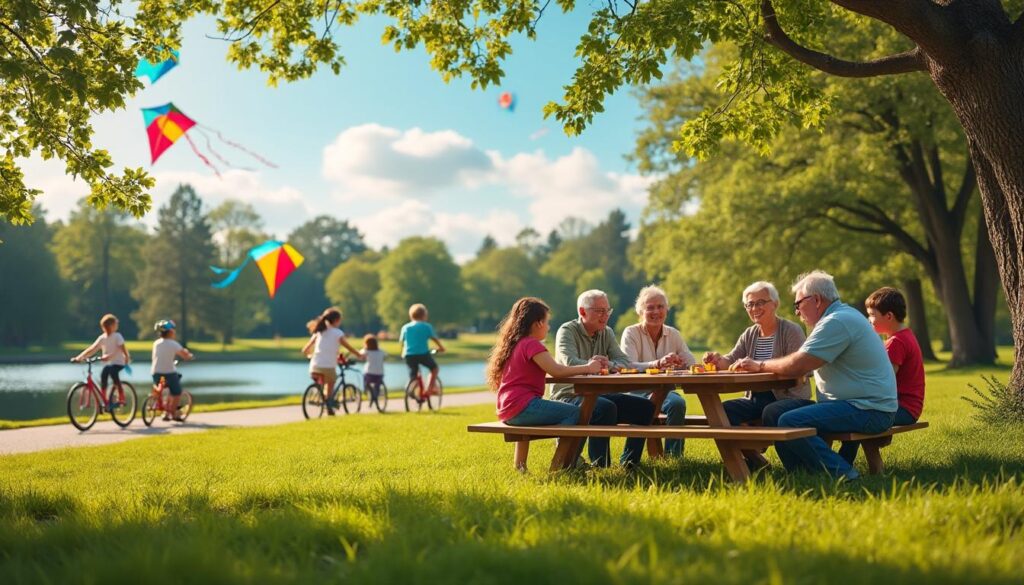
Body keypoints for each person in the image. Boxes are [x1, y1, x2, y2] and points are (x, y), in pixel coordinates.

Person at [731, 270, 897, 480]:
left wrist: (760, 365)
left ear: (816, 300)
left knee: (790, 421)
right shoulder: (839, 317)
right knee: (775, 412)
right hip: (854, 404)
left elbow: (799, 364)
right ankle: (802, 473)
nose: (798, 312)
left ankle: (844, 475)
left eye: (798, 304)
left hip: (869, 409)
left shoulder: (836, 322)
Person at [486, 297, 602, 471]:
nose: (548, 327)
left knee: (552, 417)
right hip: (522, 407)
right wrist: (588, 367)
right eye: (547, 322)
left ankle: (520, 468)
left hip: (508, 409)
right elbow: (556, 370)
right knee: (575, 413)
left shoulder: (515, 344)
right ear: (538, 323)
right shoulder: (532, 345)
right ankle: (563, 464)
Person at [550, 289, 656, 469]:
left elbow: (624, 361)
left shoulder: (606, 332)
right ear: (582, 312)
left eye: (607, 310)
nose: (605, 315)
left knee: (645, 408)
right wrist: (592, 365)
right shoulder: (567, 330)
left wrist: (610, 364)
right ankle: (601, 467)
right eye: (599, 311)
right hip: (569, 396)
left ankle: (629, 464)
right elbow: (570, 361)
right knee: (605, 408)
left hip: (598, 394)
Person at [703, 281, 812, 426]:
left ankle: (765, 445)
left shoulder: (791, 331)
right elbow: (731, 361)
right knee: (723, 410)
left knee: (771, 411)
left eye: (760, 303)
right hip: (756, 400)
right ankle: (745, 449)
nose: (754, 308)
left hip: (790, 399)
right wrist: (716, 360)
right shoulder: (749, 334)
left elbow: (801, 369)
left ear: (775, 303)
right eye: (750, 304)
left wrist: (760, 366)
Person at [838, 286, 926, 464]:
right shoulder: (906, 335)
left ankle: (841, 465)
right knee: (859, 415)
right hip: (907, 406)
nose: (868, 319)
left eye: (872, 314)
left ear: (889, 316)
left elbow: (883, 381)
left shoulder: (896, 343)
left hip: (903, 408)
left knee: (857, 416)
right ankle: (864, 466)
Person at [619, 285, 694, 458]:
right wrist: (657, 364)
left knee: (677, 404)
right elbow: (628, 365)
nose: (656, 312)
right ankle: (629, 460)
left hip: (665, 391)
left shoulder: (673, 334)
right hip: (637, 392)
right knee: (642, 409)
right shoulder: (631, 332)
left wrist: (682, 362)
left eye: (660, 307)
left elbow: (691, 362)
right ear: (640, 311)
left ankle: (674, 457)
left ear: (666, 310)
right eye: (650, 307)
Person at [302, 307, 361, 415]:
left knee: (323, 382)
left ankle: (322, 398)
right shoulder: (337, 333)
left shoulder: (319, 332)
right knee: (331, 382)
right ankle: (328, 405)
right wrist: (359, 354)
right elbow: (348, 347)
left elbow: (305, 350)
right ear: (336, 320)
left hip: (314, 366)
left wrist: (311, 356)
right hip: (328, 366)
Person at [72, 313, 131, 395]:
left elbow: (121, 349)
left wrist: (126, 357)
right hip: (108, 364)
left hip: (118, 362)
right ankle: (104, 398)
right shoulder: (102, 338)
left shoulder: (117, 336)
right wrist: (79, 357)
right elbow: (92, 349)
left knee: (113, 372)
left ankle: (121, 395)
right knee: (104, 375)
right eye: (115, 323)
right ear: (111, 325)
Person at [151, 320, 194, 422]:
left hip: (157, 373)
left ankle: (163, 409)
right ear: (170, 332)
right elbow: (184, 354)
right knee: (176, 392)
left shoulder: (156, 343)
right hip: (169, 374)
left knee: (161, 386)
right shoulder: (173, 344)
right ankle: (172, 413)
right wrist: (189, 356)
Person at [400, 303, 445, 398]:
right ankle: (430, 389)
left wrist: (402, 352)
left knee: (413, 374)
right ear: (424, 315)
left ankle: (412, 388)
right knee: (434, 368)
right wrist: (441, 348)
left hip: (408, 355)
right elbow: (434, 338)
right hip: (422, 353)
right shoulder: (426, 326)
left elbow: (402, 342)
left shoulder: (405, 327)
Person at [358, 334, 387, 405]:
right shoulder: (381, 352)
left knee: (366, 381)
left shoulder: (366, 351)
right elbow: (386, 355)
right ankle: (375, 395)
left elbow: (359, 355)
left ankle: (366, 390)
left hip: (369, 373)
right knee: (377, 386)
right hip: (380, 373)